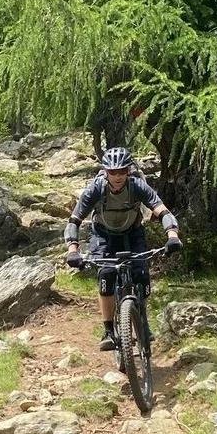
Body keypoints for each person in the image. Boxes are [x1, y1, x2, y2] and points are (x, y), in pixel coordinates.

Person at [64, 146, 181, 350]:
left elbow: (163, 211)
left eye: (122, 172)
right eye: (113, 172)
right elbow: (74, 221)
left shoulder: (137, 186)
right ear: (106, 172)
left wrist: (172, 236)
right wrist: (73, 250)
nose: (117, 177)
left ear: (128, 171)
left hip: (132, 234)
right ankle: (108, 330)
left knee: (142, 275)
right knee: (107, 275)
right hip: (102, 235)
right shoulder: (95, 189)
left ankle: (142, 322)